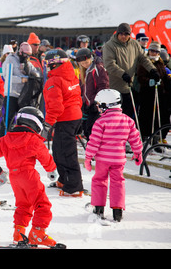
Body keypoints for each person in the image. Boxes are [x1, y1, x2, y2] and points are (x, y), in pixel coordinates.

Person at [0, 106, 59, 247]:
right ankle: (38, 233)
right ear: (36, 124)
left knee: (23, 205)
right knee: (42, 204)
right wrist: (52, 170)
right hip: (29, 176)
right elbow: (45, 157)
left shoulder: (6, 139)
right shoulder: (34, 140)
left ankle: (19, 234)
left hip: (14, 177)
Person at [84, 89, 143, 222]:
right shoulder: (128, 121)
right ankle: (118, 211)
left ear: (106, 105)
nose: (98, 108)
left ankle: (98, 209)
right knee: (118, 183)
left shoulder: (100, 122)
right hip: (118, 159)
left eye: (99, 105)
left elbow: (94, 142)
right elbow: (135, 139)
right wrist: (138, 153)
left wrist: (88, 158)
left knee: (99, 181)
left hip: (102, 160)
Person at [42, 49, 84, 196]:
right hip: (73, 117)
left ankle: (73, 187)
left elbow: (55, 106)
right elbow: (78, 96)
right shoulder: (71, 75)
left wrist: (47, 124)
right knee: (59, 151)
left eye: (47, 63)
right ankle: (64, 179)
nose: (46, 66)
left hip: (65, 119)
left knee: (66, 153)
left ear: (55, 64)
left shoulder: (54, 80)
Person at [103, 23, 159, 119]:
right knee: (116, 116)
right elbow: (109, 64)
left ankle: (127, 133)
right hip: (115, 87)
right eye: (121, 34)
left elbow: (143, 58)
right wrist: (123, 74)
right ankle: (116, 133)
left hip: (129, 85)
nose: (123, 36)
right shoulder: (109, 46)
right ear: (117, 33)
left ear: (130, 34)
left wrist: (152, 70)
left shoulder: (134, 44)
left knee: (128, 115)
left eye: (126, 34)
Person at [136, 42, 171, 142]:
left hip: (160, 94)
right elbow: (140, 77)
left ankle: (159, 136)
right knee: (147, 116)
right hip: (147, 94)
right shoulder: (144, 62)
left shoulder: (160, 63)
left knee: (162, 116)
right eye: (152, 51)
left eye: (156, 51)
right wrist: (149, 81)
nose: (154, 53)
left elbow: (164, 77)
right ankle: (145, 136)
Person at [75, 48, 109, 138]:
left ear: (91, 59)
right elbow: (82, 88)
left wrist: (97, 100)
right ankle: (91, 148)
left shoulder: (98, 69)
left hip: (96, 105)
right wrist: (82, 100)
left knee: (93, 129)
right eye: (82, 64)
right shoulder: (84, 71)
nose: (84, 65)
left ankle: (96, 149)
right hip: (88, 105)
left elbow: (103, 86)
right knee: (86, 128)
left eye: (86, 62)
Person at [0, 42, 33, 136]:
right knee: (8, 119)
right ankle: (3, 138)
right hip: (11, 93)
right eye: (26, 55)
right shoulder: (10, 59)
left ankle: (17, 138)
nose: (27, 57)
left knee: (22, 119)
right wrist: (21, 79)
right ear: (21, 52)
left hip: (23, 95)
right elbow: (7, 76)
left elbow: (32, 72)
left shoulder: (27, 62)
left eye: (29, 55)